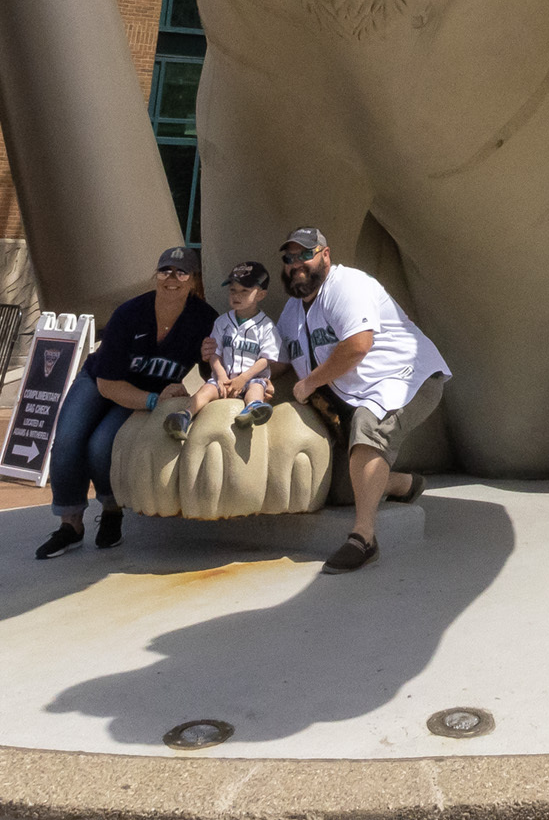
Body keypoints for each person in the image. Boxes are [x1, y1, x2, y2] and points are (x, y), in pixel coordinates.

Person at [275, 227, 449, 570]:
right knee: (342, 489)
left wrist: (309, 383)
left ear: (325, 255)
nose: (297, 263)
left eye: (305, 254)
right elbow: (278, 359)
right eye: (289, 258)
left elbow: (357, 346)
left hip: (406, 378)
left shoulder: (347, 285)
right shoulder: (292, 312)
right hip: (358, 392)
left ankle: (364, 538)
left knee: (369, 424)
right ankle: (404, 484)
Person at [38, 245, 217, 558]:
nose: (171, 278)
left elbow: (211, 368)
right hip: (101, 382)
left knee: (101, 445)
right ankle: (70, 525)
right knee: (67, 440)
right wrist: (152, 400)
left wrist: (217, 359)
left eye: (181, 272)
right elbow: (108, 384)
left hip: (143, 390)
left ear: (194, 281)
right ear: (155, 275)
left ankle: (111, 510)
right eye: (165, 270)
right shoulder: (130, 313)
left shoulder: (204, 319)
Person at [183, 260, 283, 422]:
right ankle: (185, 415)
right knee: (206, 390)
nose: (236, 295)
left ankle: (252, 409)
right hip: (224, 379)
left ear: (260, 294)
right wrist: (221, 376)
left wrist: (243, 379)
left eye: (244, 290)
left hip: (251, 378)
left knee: (256, 388)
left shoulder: (266, 325)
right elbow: (214, 353)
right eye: (233, 290)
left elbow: (266, 359)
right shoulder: (222, 322)